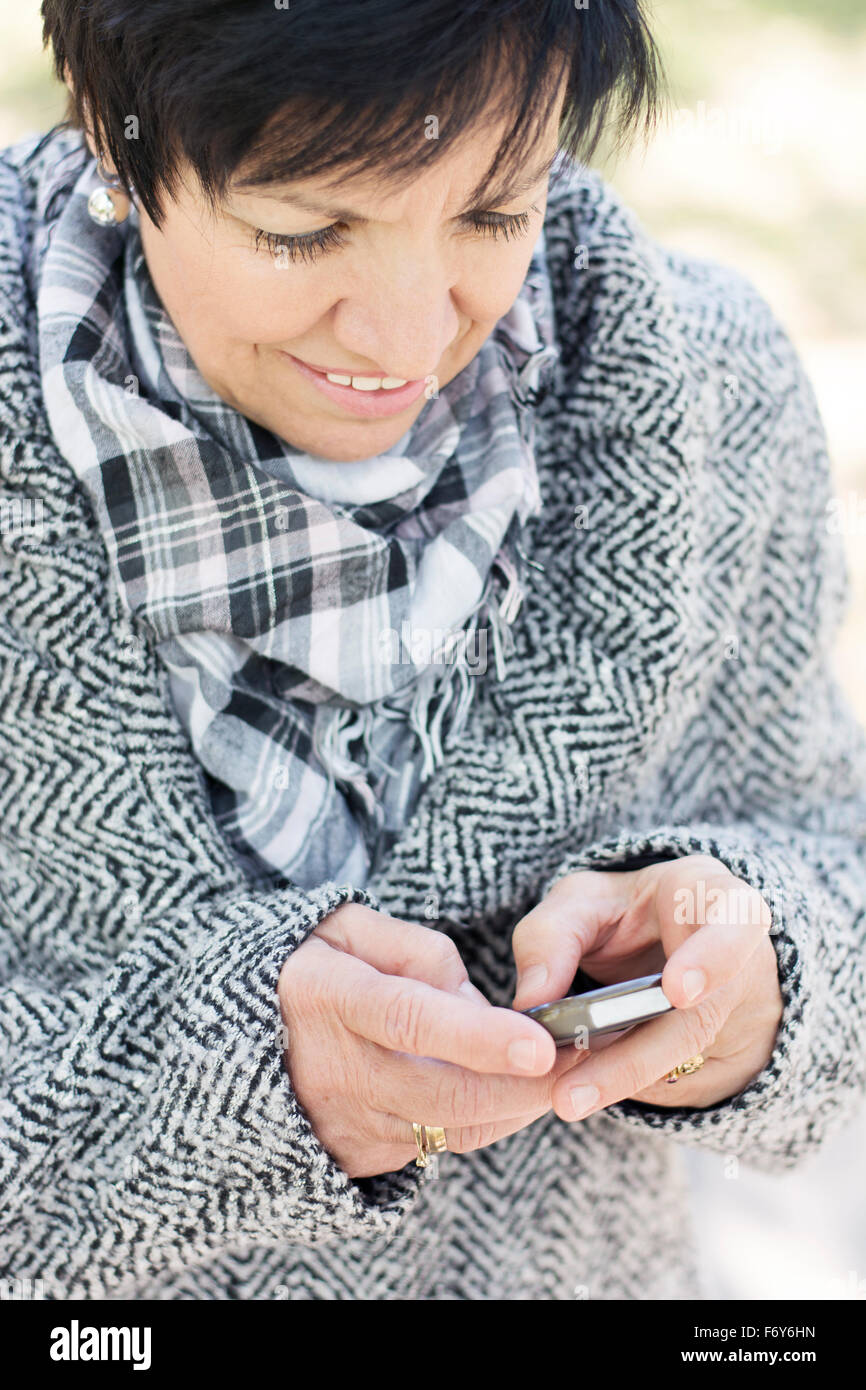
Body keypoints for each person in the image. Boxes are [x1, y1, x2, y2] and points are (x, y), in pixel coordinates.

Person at [0, 0, 863, 1301]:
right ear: (120, 145)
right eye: (301, 231)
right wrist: (226, 1078)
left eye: (491, 213)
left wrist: (762, 974)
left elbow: (828, 845)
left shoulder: (711, 385)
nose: (406, 340)